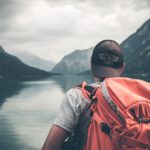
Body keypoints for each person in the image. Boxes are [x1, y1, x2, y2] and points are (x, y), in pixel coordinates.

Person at [42, 39, 125, 150]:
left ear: (91, 64)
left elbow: (50, 147)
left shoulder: (76, 96)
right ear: (122, 67)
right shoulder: (140, 99)